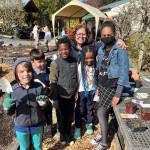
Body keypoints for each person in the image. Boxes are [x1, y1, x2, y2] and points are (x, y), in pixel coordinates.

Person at [91, 21, 130, 150]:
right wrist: (97, 86)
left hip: (112, 87)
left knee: (101, 112)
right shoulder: (101, 48)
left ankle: (104, 143)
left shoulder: (120, 49)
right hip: (102, 85)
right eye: (104, 35)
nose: (106, 37)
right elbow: (100, 69)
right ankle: (104, 135)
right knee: (104, 111)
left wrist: (118, 94)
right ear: (100, 35)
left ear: (114, 34)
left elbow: (124, 72)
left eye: (109, 35)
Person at [3, 57, 47, 150]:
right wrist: (7, 107)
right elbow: (9, 113)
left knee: (38, 146)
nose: (26, 74)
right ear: (16, 74)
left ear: (32, 71)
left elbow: (44, 106)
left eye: (28, 71)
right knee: (24, 147)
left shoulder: (38, 87)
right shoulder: (12, 90)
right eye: (21, 72)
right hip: (21, 126)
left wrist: (44, 103)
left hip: (37, 123)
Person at [50, 37, 78, 145]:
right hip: (60, 97)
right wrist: (55, 99)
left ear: (70, 49)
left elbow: (76, 77)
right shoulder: (55, 63)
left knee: (70, 116)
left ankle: (68, 133)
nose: (64, 51)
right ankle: (62, 134)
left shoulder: (74, 62)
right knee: (61, 117)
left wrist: (76, 92)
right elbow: (53, 81)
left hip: (71, 96)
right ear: (58, 51)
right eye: (61, 49)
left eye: (66, 49)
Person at [74, 46, 97, 140]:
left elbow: (97, 79)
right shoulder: (80, 67)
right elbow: (77, 80)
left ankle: (89, 124)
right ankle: (77, 127)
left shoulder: (96, 66)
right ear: (83, 57)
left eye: (91, 57)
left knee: (90, 108)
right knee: (80, 109)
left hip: (92, 91)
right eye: (87, 58)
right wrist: (76, 92)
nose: (89, 60)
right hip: (82, 91)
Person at [30, 48, 53, 138]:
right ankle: (39, 131)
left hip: (47, 99)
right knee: (38, 116)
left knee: (48, 114)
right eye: (39, 62)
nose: (42, 63)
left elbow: (51, 83)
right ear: (33, 62)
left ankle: (48, 130)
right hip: (36, 101)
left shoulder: (48, 71)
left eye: (43, 61)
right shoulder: (31, 74)